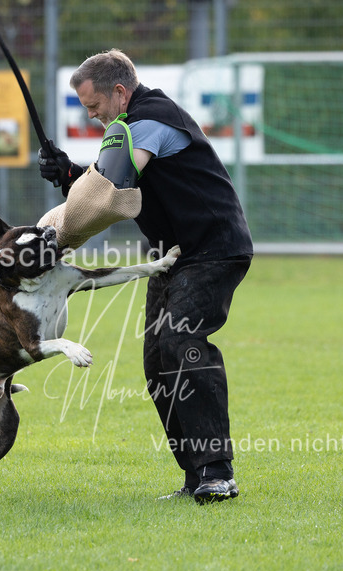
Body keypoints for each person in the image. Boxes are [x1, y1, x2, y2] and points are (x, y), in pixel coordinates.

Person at [38, 49, 254, 504]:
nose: (92, 115)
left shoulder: (152, 118)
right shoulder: (131, 129)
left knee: (183, 343)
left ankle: (219, 471)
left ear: (120, 92)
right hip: (171, 255)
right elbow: (115, 180)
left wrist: (63, 218)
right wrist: (69, 173)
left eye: (94, 106)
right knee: (157, 362)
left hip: (213, 248)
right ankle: (196, 475)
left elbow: (109, 193)